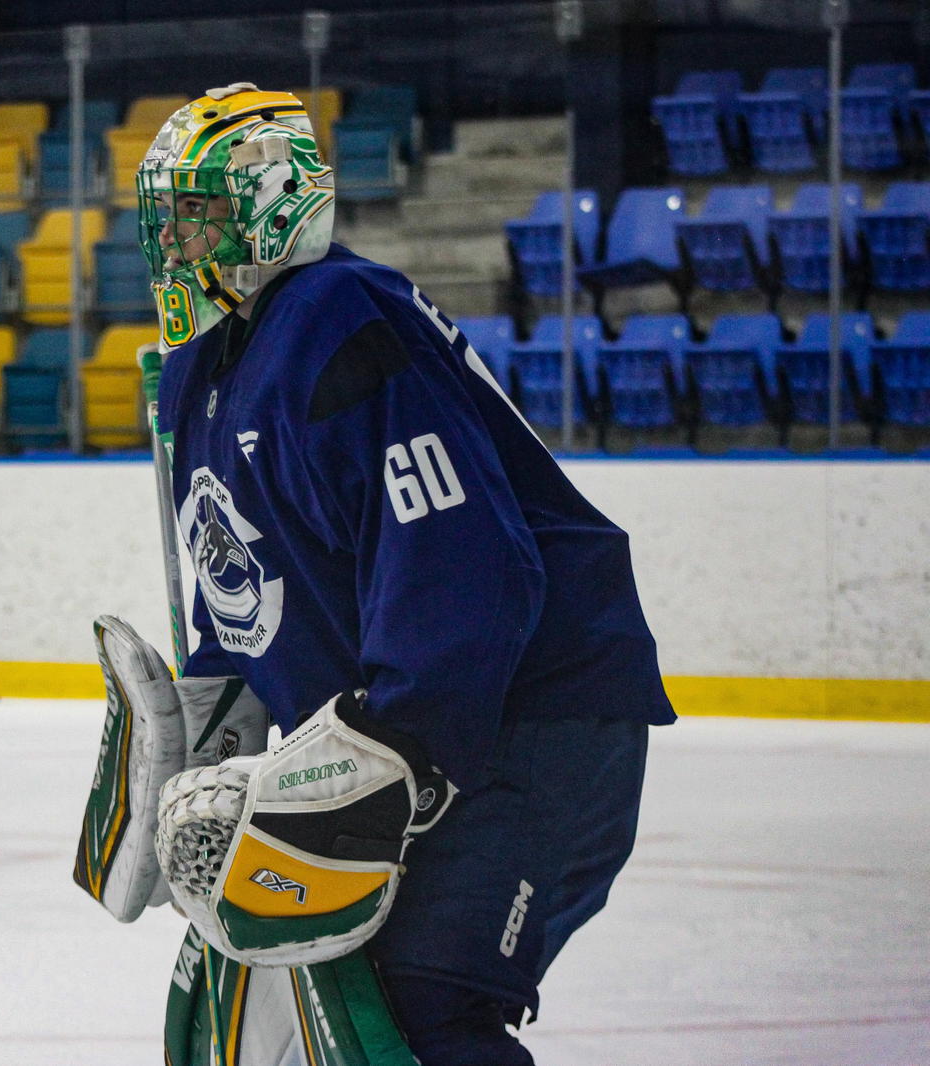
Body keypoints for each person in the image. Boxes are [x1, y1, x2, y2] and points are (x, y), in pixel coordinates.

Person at [135, 84, 676, 1064]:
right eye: (166, 221)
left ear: (275, 199)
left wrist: (396, 745)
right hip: (399, 729)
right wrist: (205, 733)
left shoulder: (338, 316)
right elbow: (237, 597)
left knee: (423, 998)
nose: (175, 245)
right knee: (303, 995)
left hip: (529, 711)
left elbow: (465, 558)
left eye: (199, 216)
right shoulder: (194, 374)